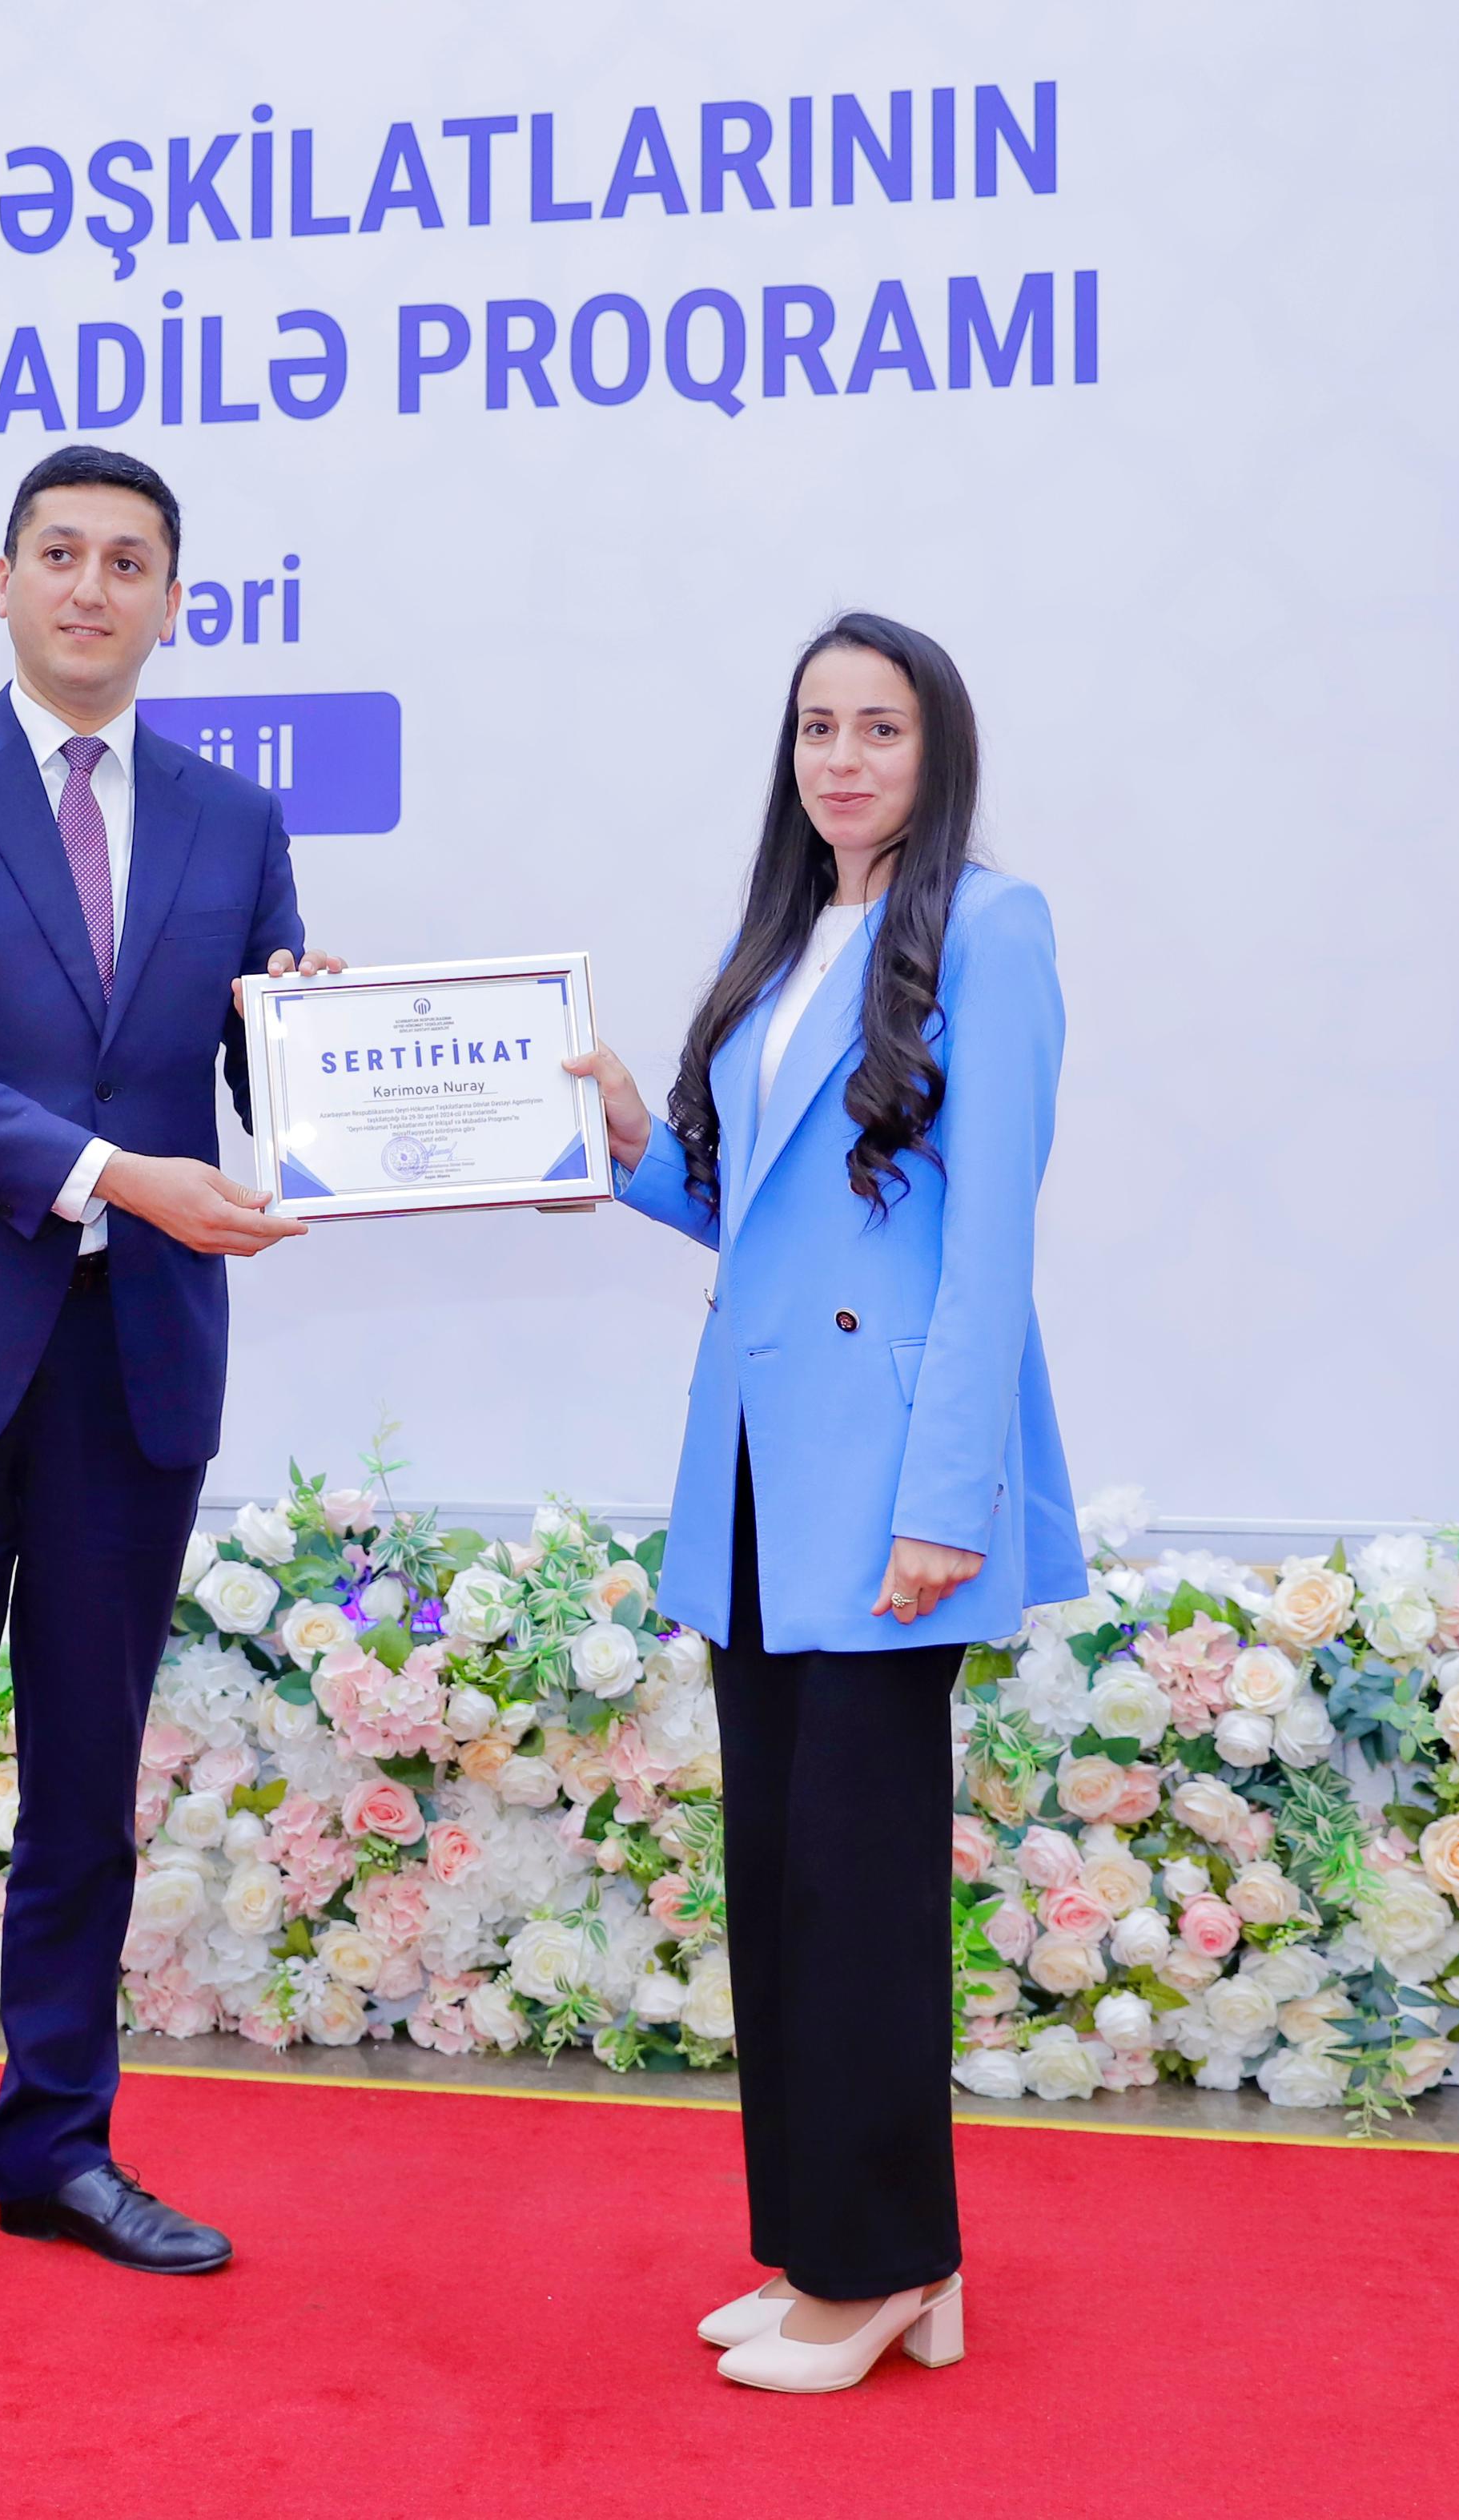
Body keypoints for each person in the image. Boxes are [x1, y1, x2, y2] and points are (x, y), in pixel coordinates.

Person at [0, 444, 340, 2327]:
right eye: (62, 554)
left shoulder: (232, 818)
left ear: (174, 601)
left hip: (135, 1361)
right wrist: (112, 1176)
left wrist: (320, 1041)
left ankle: (61, 2150)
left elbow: (250, 1084)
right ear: (5, 580)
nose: (93, 587)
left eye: (129, 562)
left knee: (86, 1788)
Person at [565, 612, 1079, 2394]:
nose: (841, 759)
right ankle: (831, 2249)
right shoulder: (780, 937)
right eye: (815, 728)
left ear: (938, 750)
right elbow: (756, 1214)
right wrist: (625, 1138)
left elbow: (989, 1237)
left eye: (879, 727)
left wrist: (947, 1500)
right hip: (756, 1470)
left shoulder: (992, 929)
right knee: (783, 1878)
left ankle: (878, 2269)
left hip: (888, 1485)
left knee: (856, 1889)